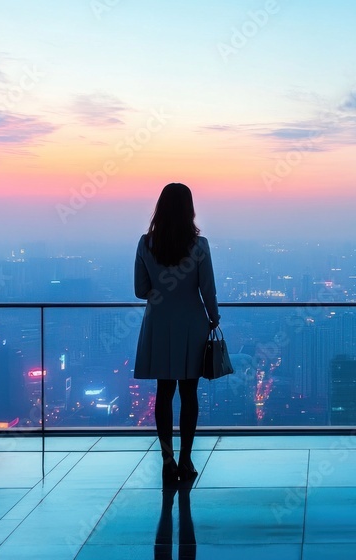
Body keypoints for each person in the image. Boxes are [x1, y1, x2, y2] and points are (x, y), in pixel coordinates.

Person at [134, 183, 220, 483]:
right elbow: (207, 288)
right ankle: (186, 460)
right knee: (189, 394)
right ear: (189, 209)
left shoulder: (146, 244)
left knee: (164, 393)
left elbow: (139, 290)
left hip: (158, 323)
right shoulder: (200, 246)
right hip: (192, 324)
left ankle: (167, 460)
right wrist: (214, 317)